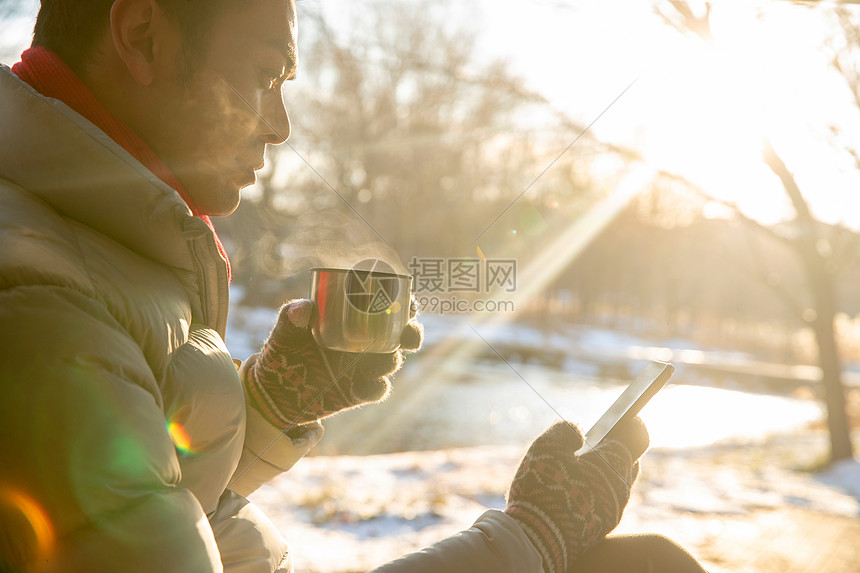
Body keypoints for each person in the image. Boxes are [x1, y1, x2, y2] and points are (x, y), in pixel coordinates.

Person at [0, 1, 708, 571]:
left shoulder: (92, 244)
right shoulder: (43, 306)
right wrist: (530, 539)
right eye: (265, 74)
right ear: (143, 33)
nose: (279, 126)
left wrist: (271, 405)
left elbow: (150, 493)